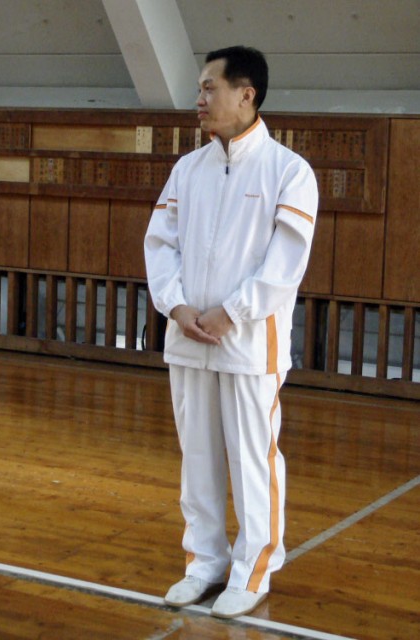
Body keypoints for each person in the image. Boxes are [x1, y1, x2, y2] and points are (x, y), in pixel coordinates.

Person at [144, 45, 318, 619]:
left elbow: (285, 263)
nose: (199, 98)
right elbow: (159, 245)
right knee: (197, 459)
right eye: (199, 88)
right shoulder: (186, 170)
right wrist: (176, 307)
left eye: (208, 88)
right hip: (188, 340)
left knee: (252, 461)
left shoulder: (288, 171)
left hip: (248, 346)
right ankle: (204, 562)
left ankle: (254, 569)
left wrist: (233, 312)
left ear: (247, 94)